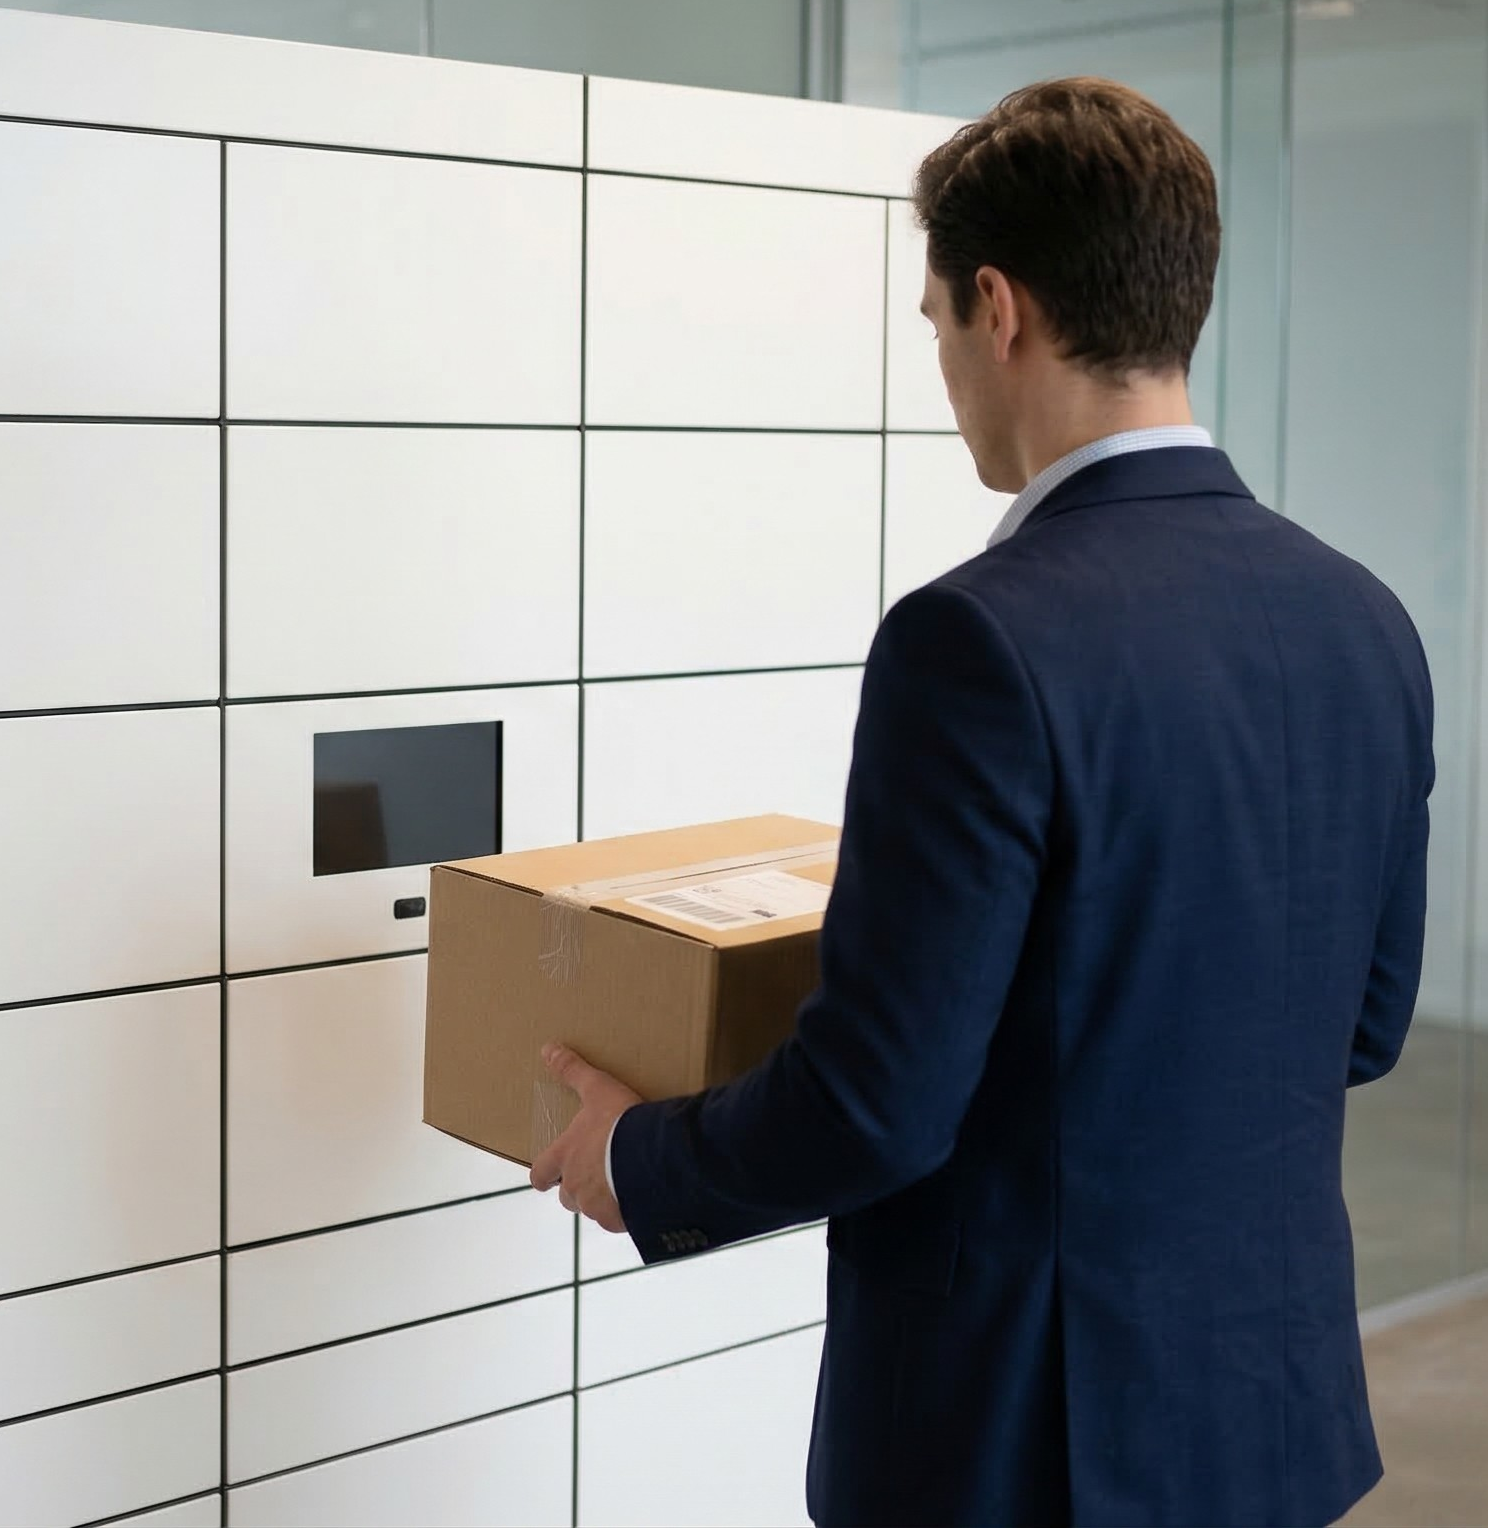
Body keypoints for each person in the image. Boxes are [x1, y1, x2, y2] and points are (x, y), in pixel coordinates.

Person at [530, 76, 1433, 1528]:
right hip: (1270, 1418)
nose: (943, 364)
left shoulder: (978, 640)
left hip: (1027, 1446)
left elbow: (880, 1105)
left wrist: (641, 1160)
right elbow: (1364, 1026)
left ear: (996, 308)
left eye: (936, 323)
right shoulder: (1362, 618)